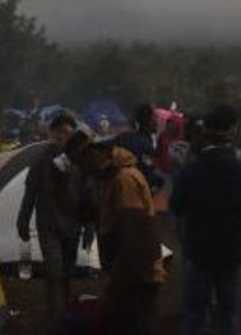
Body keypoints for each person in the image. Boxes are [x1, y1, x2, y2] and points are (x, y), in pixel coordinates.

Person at [171, 106, 241, 335]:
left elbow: (176, 206)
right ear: (231, 131)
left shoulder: (190, 170)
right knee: (229, 311)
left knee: (195, 313)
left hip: (198, 249)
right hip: (231, 249)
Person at [69, 133, 165, 335]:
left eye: (81, 163)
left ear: (92, 155)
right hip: (127, 272)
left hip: (137, 274)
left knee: (135, 327)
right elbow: (85, 214)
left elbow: (132, 237)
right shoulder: (107, 180)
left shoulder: (125, 180)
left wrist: (117, 284)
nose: (82, 170)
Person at [17, 112, 89, 327]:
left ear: (71, 136)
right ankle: (56, 317)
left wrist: (90, 227)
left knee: (67, 271)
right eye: (57, 133)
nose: (61, 138)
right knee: (55, 271)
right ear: (50, 134)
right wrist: (22, 220)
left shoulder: (79, 163)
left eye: (66, 134)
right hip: (48, 225)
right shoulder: (40, 161)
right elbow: (30, 193)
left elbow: (87, 197)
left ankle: (63, 312)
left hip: (72, 225)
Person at [116, 104, 164, 193]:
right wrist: (160, 181)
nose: (157, 122)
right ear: (149, 121)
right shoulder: (146, 145)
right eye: (155, 118)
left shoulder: (122, 139)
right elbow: (146, 172)